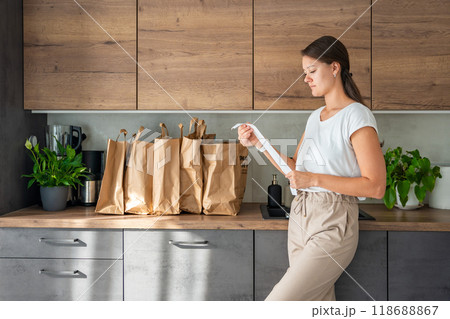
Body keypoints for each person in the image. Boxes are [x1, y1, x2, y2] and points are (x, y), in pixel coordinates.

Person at [237, 36, 386, 301]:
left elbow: (375, 186)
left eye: (312, 71)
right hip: (301, 216)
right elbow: (295, 170)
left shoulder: (357, 116)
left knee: (278, 304)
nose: (306, 79)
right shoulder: (315, 117)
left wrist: (313, 178)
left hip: (333, 221)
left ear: (334, 67)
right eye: (305, 73)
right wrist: (258, 142)